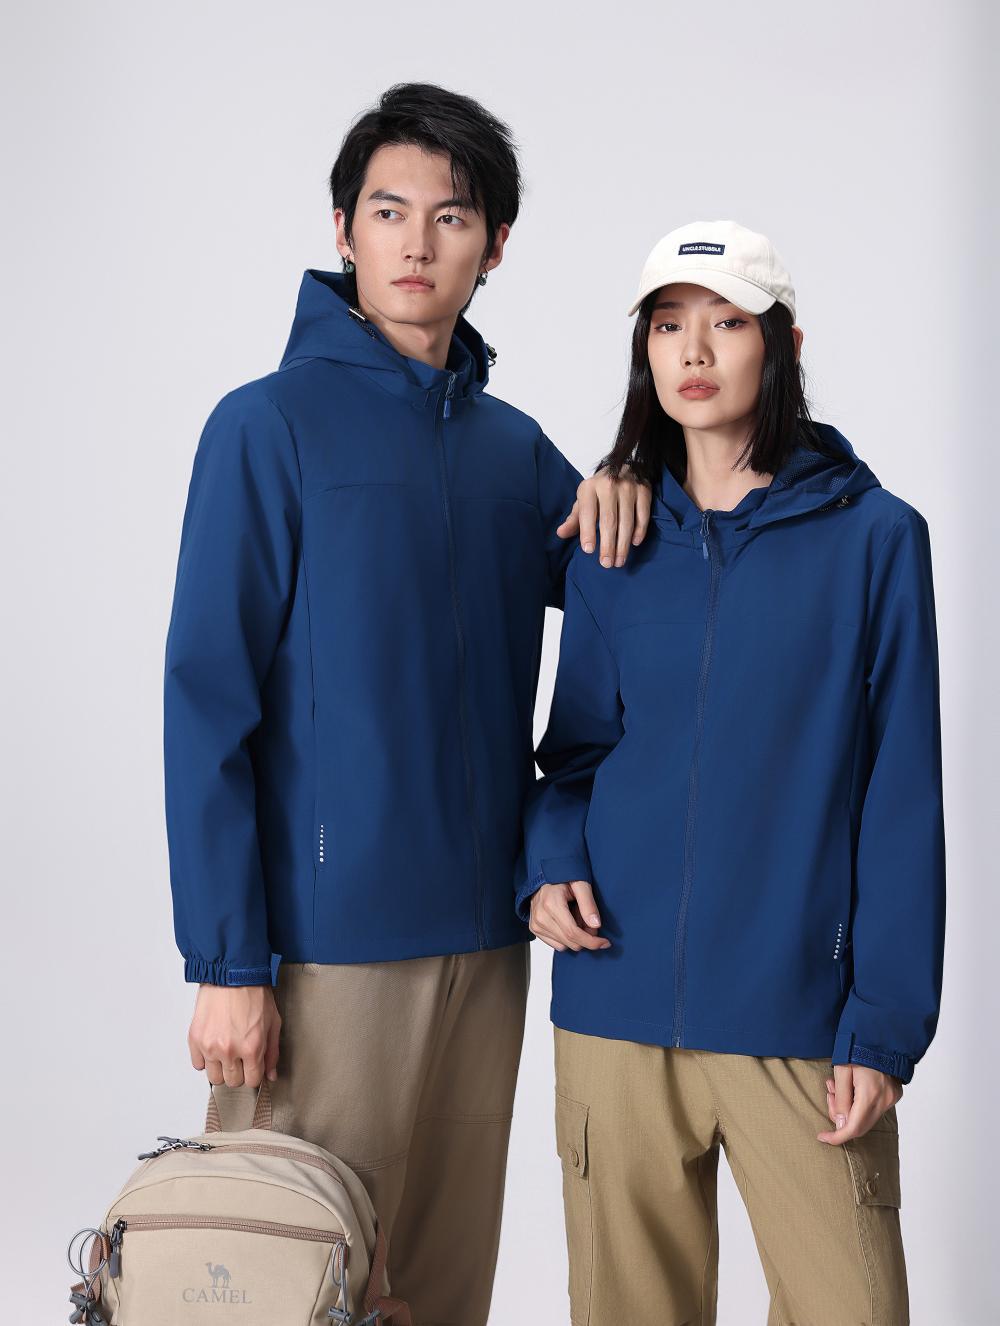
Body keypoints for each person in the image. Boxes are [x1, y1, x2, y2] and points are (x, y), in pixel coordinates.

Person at [161, 83, 649, 1325]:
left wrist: (636, 476)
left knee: (435, 1288)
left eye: (450, 216)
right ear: (343, 229)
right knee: (282, 1284)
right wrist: (228, 962)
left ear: (495, 246)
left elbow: (630, 589)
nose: (417, 243)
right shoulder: (264, 428)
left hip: (485, 945)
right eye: (388, 212)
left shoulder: (510, 450)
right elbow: (206, 703)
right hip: (324, 951)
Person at [518, 219, 945, 1325]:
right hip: (613, 1004)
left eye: (727, 324)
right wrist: (548, 862)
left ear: (783, 345)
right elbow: (575, 754)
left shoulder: (875, 540)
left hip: (796, 1018)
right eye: (668, 327)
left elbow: (902, 793)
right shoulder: (614, 541)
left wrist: (884, 1027)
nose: (694, 352)